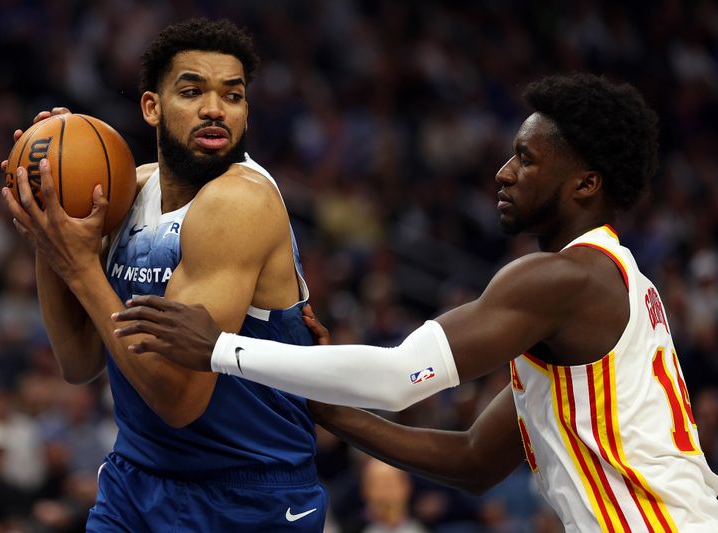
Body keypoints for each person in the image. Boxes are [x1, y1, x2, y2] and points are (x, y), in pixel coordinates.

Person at [111, 73, 718, 531]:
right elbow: (476, 460)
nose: (503, 173)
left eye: (527, 160)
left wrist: (219, 348)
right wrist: (329, 411)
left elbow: (402, 378)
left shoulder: (561, 280)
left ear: (586, 184)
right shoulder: (609, 289)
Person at [2, 18, 326, 532]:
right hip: (136, 479)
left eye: (233, 96)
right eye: (192, 91)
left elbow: (179, 400)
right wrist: (52, 220)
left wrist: (82, 266)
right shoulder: (130, 191)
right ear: (152, 107)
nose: (215, 109)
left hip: (245, 496)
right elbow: (78, 360)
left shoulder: (239, 203)